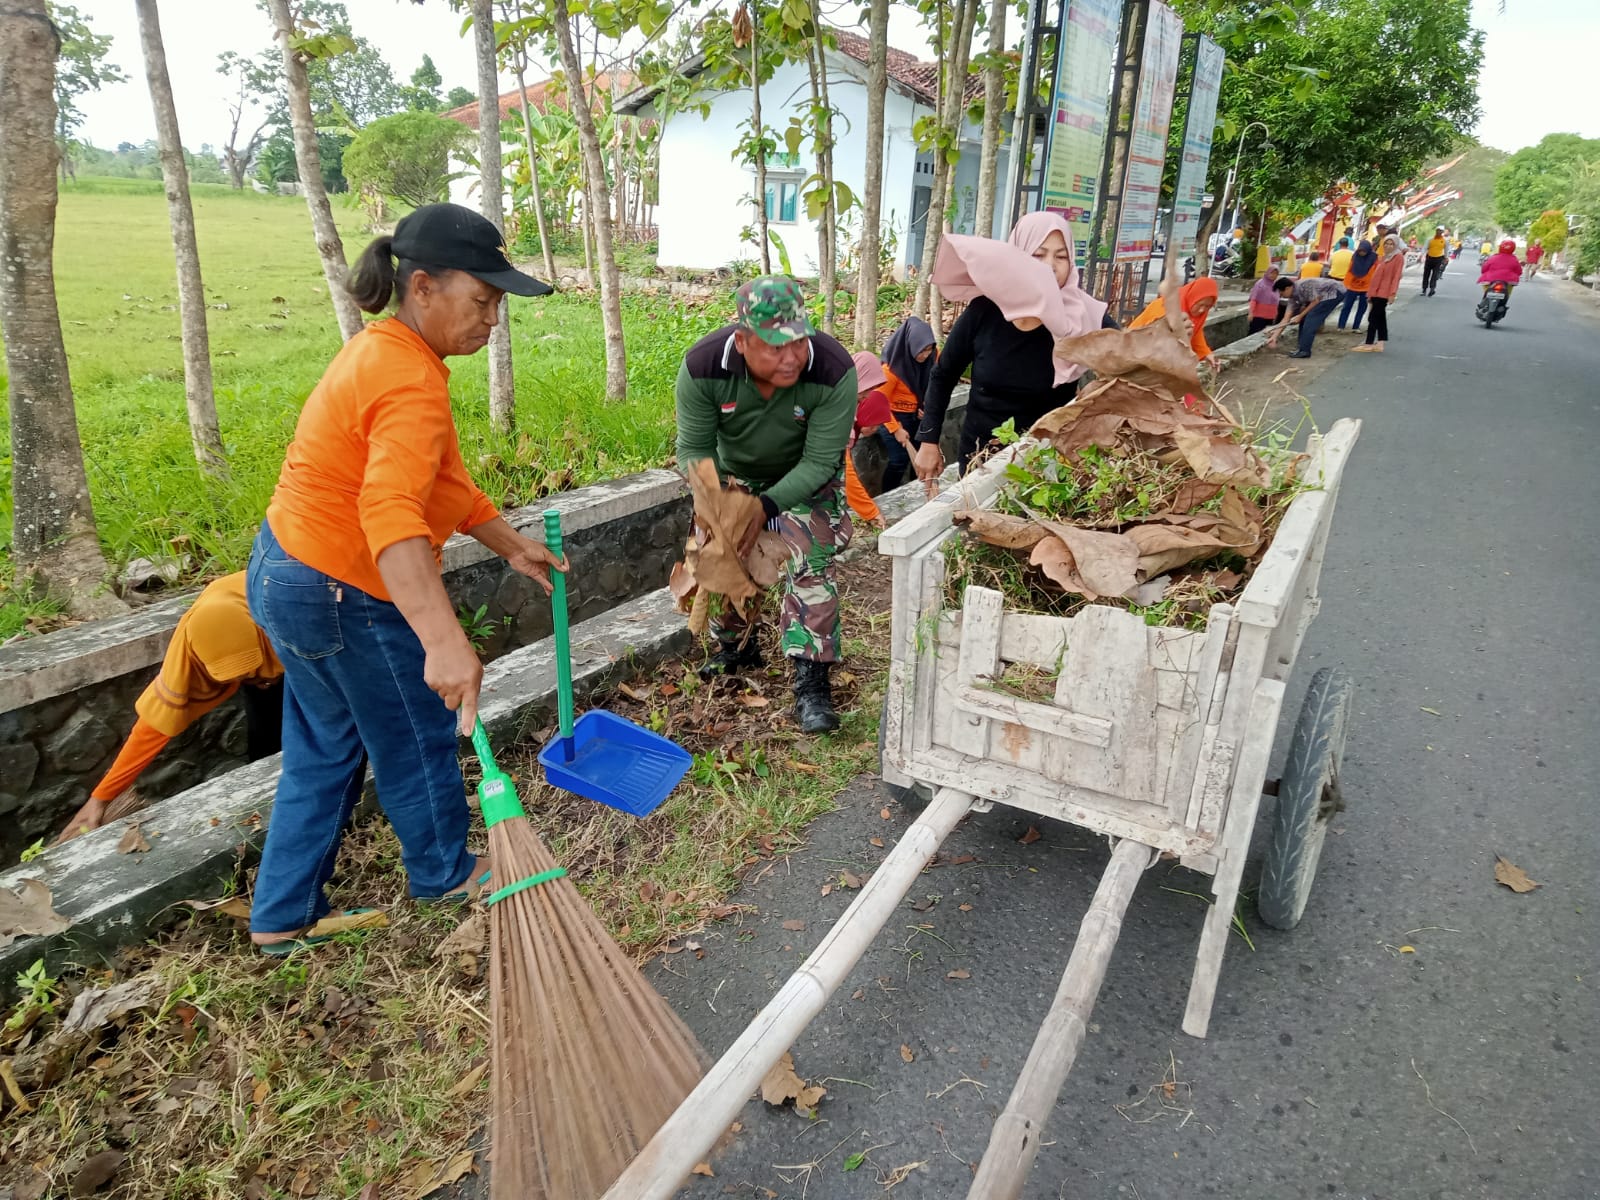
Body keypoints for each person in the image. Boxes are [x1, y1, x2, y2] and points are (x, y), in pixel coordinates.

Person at [244, 203, 561, 954]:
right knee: (416, 734)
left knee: (326, 745)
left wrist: (509, 543)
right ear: (422, 287)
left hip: (285, 570)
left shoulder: (385, 351)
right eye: (480, 300)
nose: (492, 320)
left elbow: (439, 481)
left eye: (498, 305)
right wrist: (443, 642)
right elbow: (390, 513)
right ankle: (445, 872)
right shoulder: (410, 379)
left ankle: (282, 913)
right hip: (341, 586)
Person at [676, 276, 855, 734]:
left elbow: (820, 461)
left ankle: (811, 679)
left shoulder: (832, 369)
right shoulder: (703, 367)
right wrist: (717, 507)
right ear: (742, 341)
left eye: (798, 341)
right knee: (718, 551)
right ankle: (735, 647)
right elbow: (695, 448)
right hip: (735, 476)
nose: (791, 357)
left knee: (809, 557)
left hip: (805, 477)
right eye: (775, 346)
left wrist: (767, 507)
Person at [56, 573, 285, 842]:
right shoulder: (191, 652)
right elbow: (153, 726)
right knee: (265, 742)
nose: (259, 678)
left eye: (253, 670)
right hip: (265, 644)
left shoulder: (295, 611)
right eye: (239, 676)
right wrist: (100, 798)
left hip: (295, 637)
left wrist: (271, 672)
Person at [913, 212, 1114, 479]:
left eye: (1061, 256)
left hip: (1049, 461)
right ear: (1018, 258)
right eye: (1038, 255)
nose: (1050, 266)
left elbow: (1132, 361)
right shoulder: (984, 311)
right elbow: (943, 374)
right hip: (981, 459)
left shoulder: (1084, 315)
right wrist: (928, 441)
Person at [843, 351, 915, 525]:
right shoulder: (837, 413)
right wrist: (871, 512)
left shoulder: (850, 407)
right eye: (867, 388)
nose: (868, 395)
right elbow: (843, 471)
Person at [876, 317, 937, 491]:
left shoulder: (933, 357)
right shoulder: (891, 370)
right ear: (910, 346)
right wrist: (896, 429)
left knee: (921, 457)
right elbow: (879, 403)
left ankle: (919, 490)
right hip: (891, 416)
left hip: (917, 415)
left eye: (929, 349)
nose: (925, 355)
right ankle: (888, 496)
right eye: (921, 351)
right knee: (899, 461)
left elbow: (936, 384)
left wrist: (927, 407)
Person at [1129, 276, 1220, 367]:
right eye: (1200, 304)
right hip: (1136, 349)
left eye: (1207, 306)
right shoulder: (1165, 307)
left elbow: (1196, 333)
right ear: (1192, 298)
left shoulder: (1194, 313)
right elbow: (1156, 340)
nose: (1202, 310)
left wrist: (1206, 354)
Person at [1265, 272, 1344, 359]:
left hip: (1334, 292)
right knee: (1304, 318)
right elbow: (1286, 318)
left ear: (1287, 288)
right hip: (1320, 296)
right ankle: (1301, 347)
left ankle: (1304, 351)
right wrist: (1274, 337)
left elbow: (1315, 301)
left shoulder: (1303, 286)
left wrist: (1300, 316)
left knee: (1311, 318)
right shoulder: (1293, 298)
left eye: (1281, 293)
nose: (1281, 296)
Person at [1353, 233, 1404, 353]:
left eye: (1391, 244)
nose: (1388, 246)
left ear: (1396, 245)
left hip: (1384, 292)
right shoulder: (1384, 257)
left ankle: (1369, 343)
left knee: (1373, 317)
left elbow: (1396, 276)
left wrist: (1392, 293)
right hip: (1376, 291)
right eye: (1386, 243)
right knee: (1380, 318)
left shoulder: (1398, 257)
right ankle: (1380, 343)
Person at [1336, 239, 1377, 332]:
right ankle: (1341, 326)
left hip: (1366, 286)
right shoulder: (1355, 256)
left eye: (1364, 251)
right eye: (1360, 251)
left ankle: (1356, 327)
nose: (1362, 253)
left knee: (1362, 308)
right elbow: (1350, 270)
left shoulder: (1374, 258)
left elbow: (1374, 272)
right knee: (1346, 306)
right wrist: (1346, 283)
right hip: (1353, 285)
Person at [1478, 239, 1523, 308]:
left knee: (1486, 289)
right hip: (1508, 281)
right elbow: (1519, 272)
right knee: (1508, 292)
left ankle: (1485, 299)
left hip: (1490, 279)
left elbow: (1484, 269)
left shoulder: (1493, 257)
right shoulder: (1514, 259)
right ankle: (1504, 303)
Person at [1247, 265, 1284, 334]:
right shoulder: (1260, 284)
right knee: (1255, 334)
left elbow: (1277, 299)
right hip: (1259, 316)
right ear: (1268, 272)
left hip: (1271, 316)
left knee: (1265, 335)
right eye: (1272, 273)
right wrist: (1251, 312)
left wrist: (1276, 313)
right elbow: (1254, 299)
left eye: (1276, 273)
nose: (1273, 275)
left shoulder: (1276, 285)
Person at [1421, 226, 1449, 295]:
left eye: (1440, 231)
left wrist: (1446, 258)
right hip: (1429, 257)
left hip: (1439, 258)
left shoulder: (1445, 241)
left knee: (1435, 274)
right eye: (1438, 230)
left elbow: (1446, 250)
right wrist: (1422, 255)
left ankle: (1432, 289)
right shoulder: (1430, 239)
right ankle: (1424, 289)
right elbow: (1425, 248)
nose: (1439, 232)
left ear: (1442, 232)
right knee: (1426, 274)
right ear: (1436, 231)